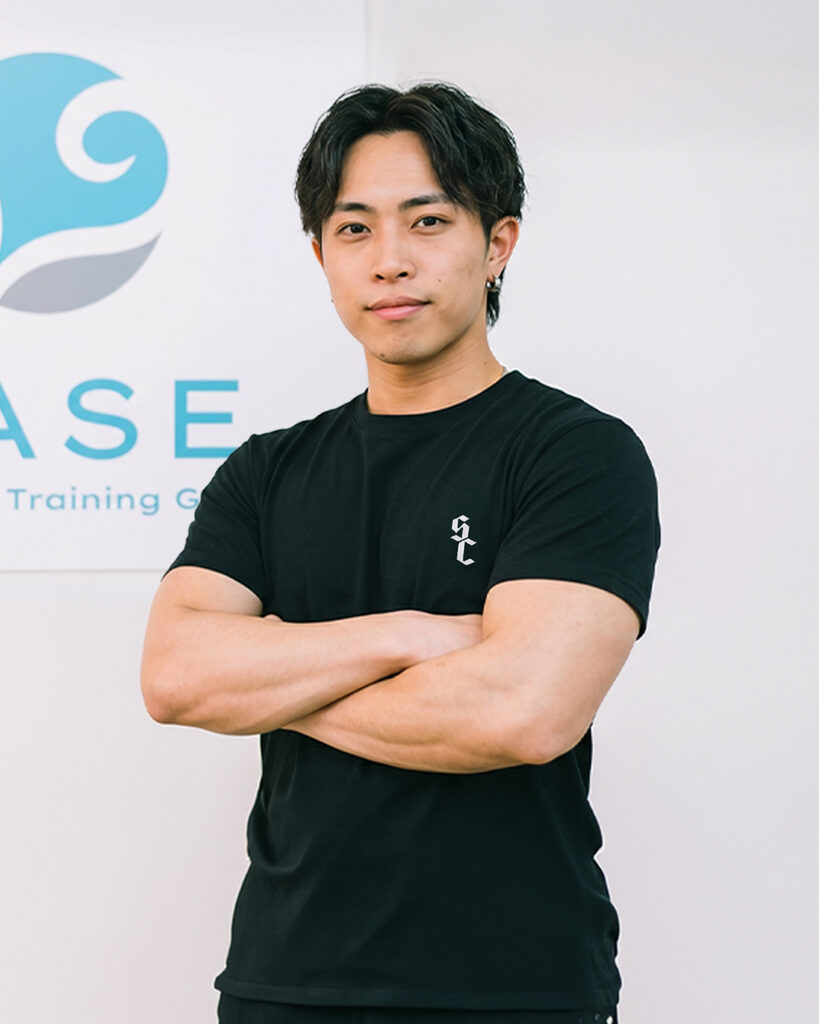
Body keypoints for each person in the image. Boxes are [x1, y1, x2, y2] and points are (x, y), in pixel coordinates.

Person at [141, 82, 660, 1024]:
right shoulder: (265, 471)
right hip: (280, 983)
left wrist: (278, 680)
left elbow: (521, 713)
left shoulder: (575, 454)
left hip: (514, 988)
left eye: (427, 221)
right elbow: (177, 678)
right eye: (354, 229)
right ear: (321, 255)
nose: (389, 260)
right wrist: (413, 634)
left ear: (496, 243)